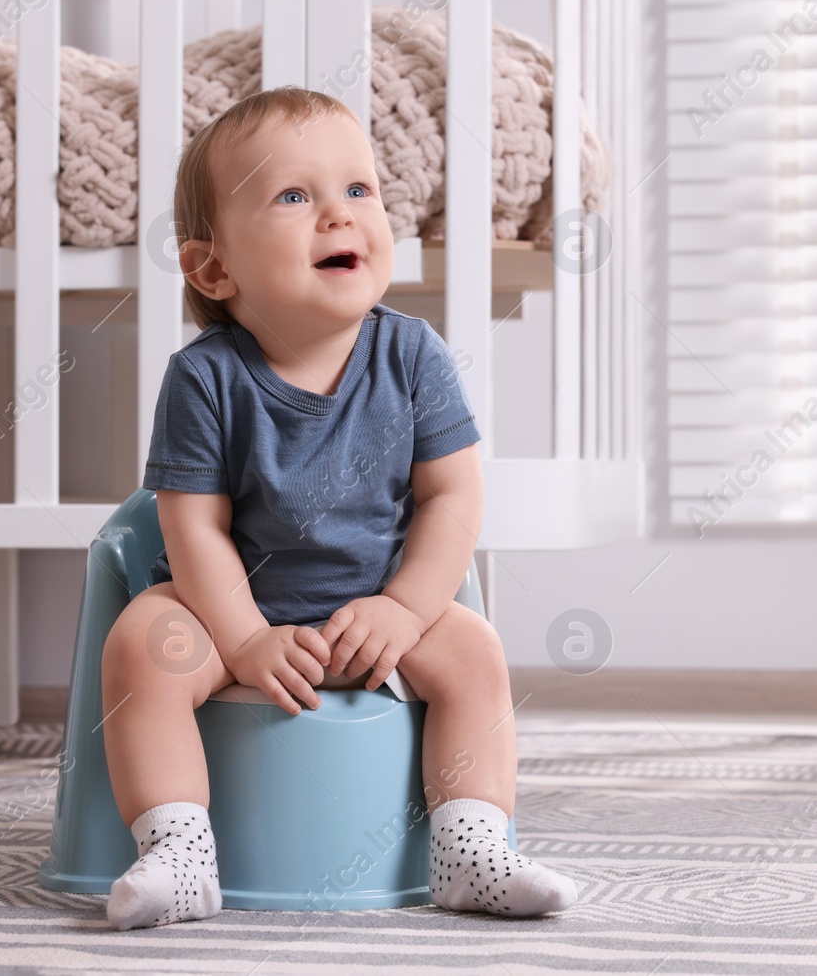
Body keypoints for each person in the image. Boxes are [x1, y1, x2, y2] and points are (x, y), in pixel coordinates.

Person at [100, 86, 578, 930]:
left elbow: (451, 496)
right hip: (232, 612)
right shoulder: (204, 377)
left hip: (380, 599)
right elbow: (194, 527)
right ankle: (175, 849)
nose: (338, 215)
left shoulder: (413, 355)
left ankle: (472, 845)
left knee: (474, 650)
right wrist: (244, 637)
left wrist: (406, 606)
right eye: (294, 196)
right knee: (143, 641)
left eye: (359, 189)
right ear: (214, 267)